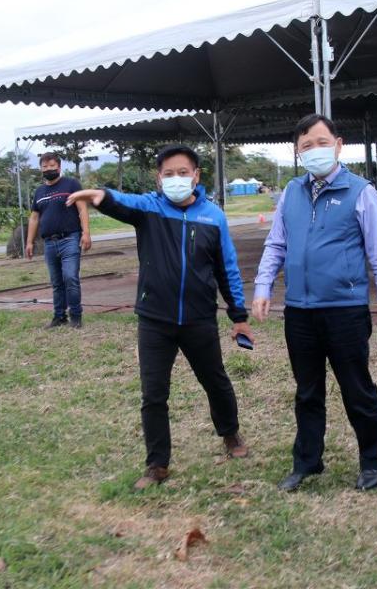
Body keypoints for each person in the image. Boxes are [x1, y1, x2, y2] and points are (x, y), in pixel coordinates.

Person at [66, 145, 253, 490]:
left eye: (183, 173)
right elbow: (123, 201)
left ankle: (230, 434)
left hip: (199, 319)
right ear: (159, 178)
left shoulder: (214, 216)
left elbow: (226, 268)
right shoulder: (150, 209)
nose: (176, 179)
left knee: (215, 381)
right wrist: (100, 196)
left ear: (197, 176)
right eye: (168, 174)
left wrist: (238, 315)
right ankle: (157, 464)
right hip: (155, 319)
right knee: (154, 394)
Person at [252, 114, 377, 493]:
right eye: (307, 146)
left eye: (322, 143)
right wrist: (262, 286)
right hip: (300, 311)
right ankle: (307, 460)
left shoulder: (360, 192)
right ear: (298, 152)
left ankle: (373, 461)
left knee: (357, 389)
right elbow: (276, 244)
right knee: (307, 391)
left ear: (339, 144)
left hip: (344, 310)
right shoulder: (291, 192)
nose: (315, 151)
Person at [25, 152, 91, 329]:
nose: (48, 169)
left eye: (52, 166)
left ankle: (76, 316)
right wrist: (29, 242)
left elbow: (82, 209)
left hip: (70, 238)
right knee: (56, 282)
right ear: (41, 169)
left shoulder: (71, 184)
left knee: (70, 277)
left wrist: (86, 233)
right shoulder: (39, 191)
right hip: (49, 243)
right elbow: (34, 218)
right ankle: (59, 316)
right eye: (45, 166)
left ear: (59, 167)